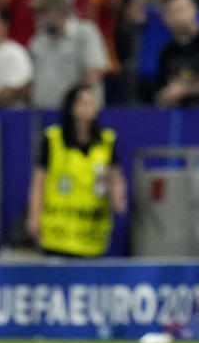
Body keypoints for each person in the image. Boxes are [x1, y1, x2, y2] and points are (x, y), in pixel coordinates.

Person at [26, 84, 127, 257]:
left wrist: (118, 195)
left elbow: (116, 178)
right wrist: (34, 217)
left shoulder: (106, 141)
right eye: (84, 102)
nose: (90, 107)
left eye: (92, 102)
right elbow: (38, 184)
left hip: (92, 236)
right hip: (58, 235)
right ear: (72, 107)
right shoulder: (53, 139)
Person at [29, 0, 111, 109]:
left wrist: (75, 102)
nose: (39, 17)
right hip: (44, 114)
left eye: (43, 11)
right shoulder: (38, 41)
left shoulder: (85, 32)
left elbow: (95, 71)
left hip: (76, 116)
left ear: (59, 10)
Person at [155, 0, 199, 107]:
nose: (177, 17)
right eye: (171, 12)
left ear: (195, 9)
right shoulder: (167, 52)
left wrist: (186, 90)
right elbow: (160, 89)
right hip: (178, 117)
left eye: (181, 9)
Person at [0, 8, 33, 107]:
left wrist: (8, 93)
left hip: (11, 114)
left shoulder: (16, 52)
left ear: (5, 24)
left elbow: (24, 85)